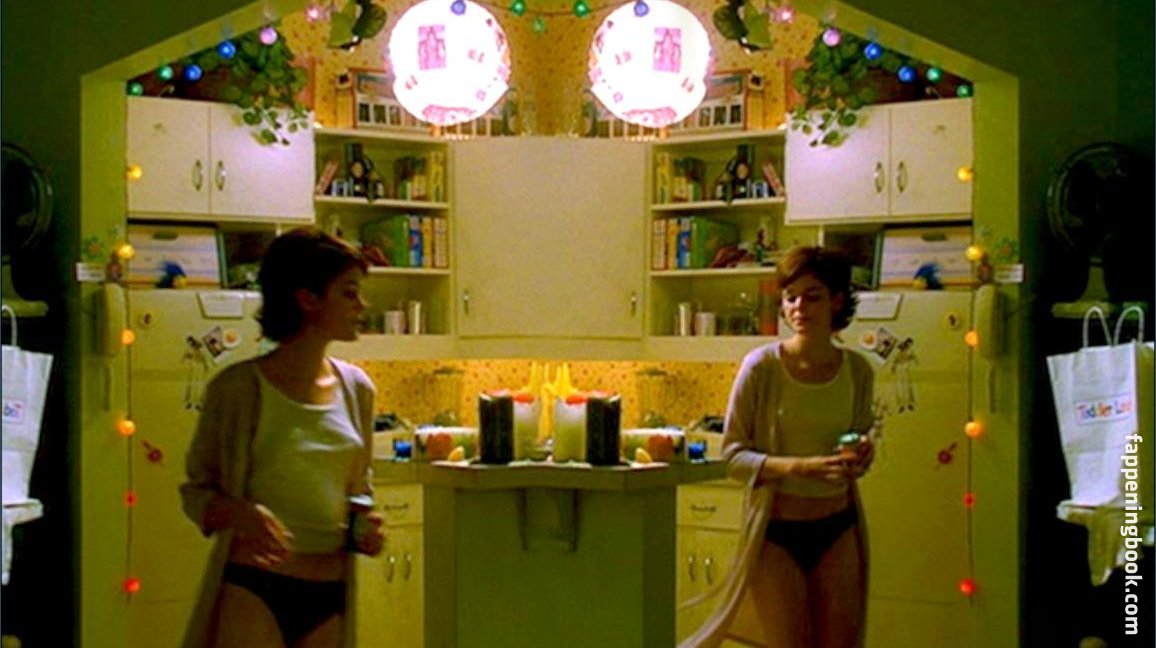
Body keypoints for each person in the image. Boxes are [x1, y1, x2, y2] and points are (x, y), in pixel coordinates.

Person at [180, 227, 386, 648]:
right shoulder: (238, 389)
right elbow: (196, 493)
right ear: (308, 299)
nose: (361, 305)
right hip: (256, 585)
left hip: (330, 588)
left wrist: (365, 530)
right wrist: (239, 513)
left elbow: (359, 492)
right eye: (348, 293)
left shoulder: (357, 389)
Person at [682, 246, 878, 648]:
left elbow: (858, 437)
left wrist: (862, 453)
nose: (799, 307)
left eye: (812, 296)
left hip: (838, 526)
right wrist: (798, 467)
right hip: (776, 532)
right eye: (791, 297)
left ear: (836, 301)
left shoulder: (858, 370)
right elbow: (733, 456)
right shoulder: (762, 367)